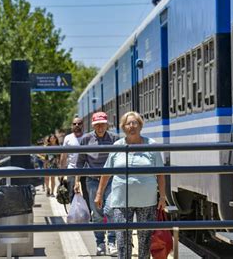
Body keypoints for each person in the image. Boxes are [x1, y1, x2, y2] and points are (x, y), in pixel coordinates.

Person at [94, 111, 166, 259]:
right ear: (123, 127)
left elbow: (160, 173)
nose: (132, 126)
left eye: (135, 123)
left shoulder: (151, 145)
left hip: (147, 200)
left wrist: (162, 197)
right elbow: (107, 172)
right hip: (121, 200)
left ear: (140, 126)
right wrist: (99, 193)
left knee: (145, 240)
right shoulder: (117, 146)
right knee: (122, 239)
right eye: (128, 123)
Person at [75, 111, 118, 256]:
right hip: (93, 181)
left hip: (111, 180)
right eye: (97, 125)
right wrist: (76, 182)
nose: (100, 127)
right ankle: (100, 243)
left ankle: (112, 242)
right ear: (93, 125)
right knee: (97, 214)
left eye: (102, 124)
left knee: (111, 209)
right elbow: (80, 162)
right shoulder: (86, 140)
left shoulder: (114, 139)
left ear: (107, 124)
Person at [59, 117, 85, 202]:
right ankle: (74, 214)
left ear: (83, 125)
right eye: (74, 124)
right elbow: (63, 156)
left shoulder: (87, 137)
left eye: (79, 123)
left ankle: (87, 214)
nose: (77, 125)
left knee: (86, 195)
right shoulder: (67, 138)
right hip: (72, 170)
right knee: (72, 195)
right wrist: (61, 173)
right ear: (71, 126)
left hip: (86, 170)